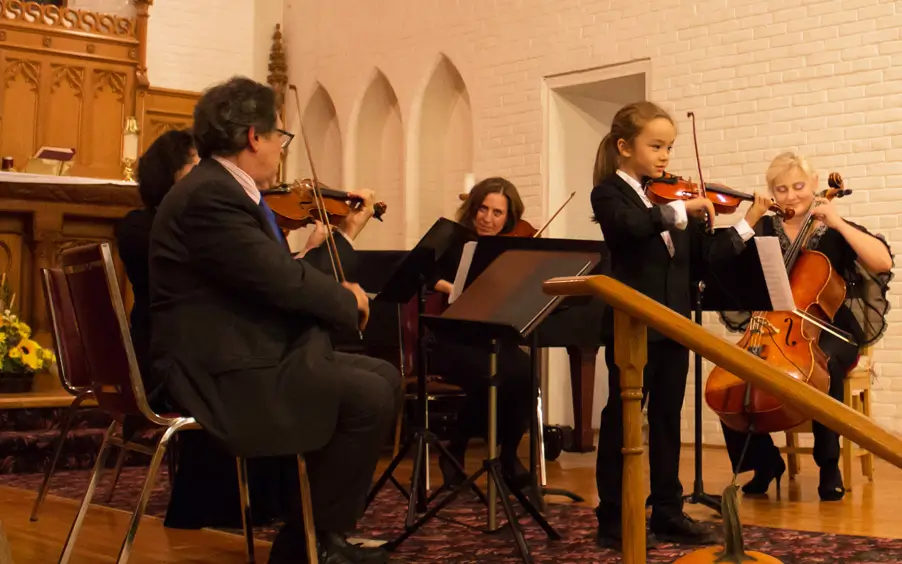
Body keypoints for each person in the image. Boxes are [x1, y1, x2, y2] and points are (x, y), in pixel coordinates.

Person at [147, 76, 400, 564]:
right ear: (253, 137)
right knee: (367, 393)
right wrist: (348, 302)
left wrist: (335, 279)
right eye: (280, 137)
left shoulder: (222, 190)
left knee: (381, 378)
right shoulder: (212, 196)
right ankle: (309, 545)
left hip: (237, 351)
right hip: (219, 369)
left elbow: (272, 277)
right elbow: (280, 282)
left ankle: (315, 539)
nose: (283, 150)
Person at [590, 101, 773, 549]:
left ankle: (667, 511)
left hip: (674, 323)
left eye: (669, 146)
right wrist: (681, 210)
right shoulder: (610, 193)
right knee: (622, 420)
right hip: (631, 325)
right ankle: (612, 516)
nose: (665, 156)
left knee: (668, 420)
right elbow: (629, 228)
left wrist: (747, 223)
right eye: (655, 146)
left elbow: (706, 261)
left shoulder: (673, 197)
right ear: (623, 146)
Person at [718, 151, 893, 502]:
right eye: (781, 189)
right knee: (731, 376)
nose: (791, 196)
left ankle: (829, 465)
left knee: (822, 365)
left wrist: (839, 222)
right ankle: (764, 461)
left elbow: (882, 261)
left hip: (829, 330)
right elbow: (726, 268)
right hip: (772, 327)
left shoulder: (831, 228)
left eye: (799, 186)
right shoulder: (764, 228)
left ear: (814, 186)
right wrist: (748, 222)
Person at [427, 178, 534, 489]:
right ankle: (456, 447)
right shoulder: (452, 238)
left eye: (497, 213)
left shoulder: (511, 249)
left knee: (526, 374)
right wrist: (450, 288)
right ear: (473, 209)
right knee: (492, 375)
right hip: (452, 340)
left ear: (508, 218)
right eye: (483, 209)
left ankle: (508, 454)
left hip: (493, 337)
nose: (488, 219)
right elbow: (422, 272)